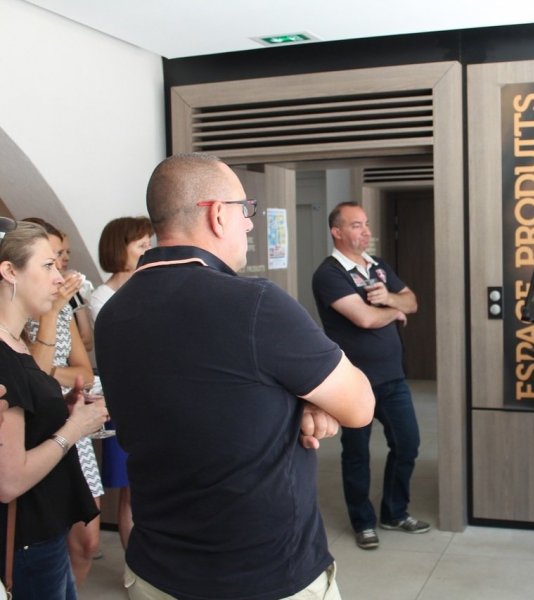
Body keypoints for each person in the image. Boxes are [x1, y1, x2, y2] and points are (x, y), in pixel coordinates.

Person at [94, 153, 374, 600]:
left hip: (155, 572)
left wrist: (299, 400)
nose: (249, 225)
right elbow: (360, 406)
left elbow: (210, 397)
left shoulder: (113, 315)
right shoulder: (257, 304)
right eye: (246, 211)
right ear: (216, 214)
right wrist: (309, 398)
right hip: (263, 576)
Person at [0, 218, 109, 599]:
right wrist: (74, 429)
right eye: (47, 266)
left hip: (45, 530)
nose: (59, 278)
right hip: (26, 538)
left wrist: (64, 407)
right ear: (10, 271)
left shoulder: (15, 345)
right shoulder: (4, 356)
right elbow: (9, 480)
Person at [312, 201, 429, 551]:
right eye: (357, 225)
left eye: (366, 225)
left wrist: (391, 300)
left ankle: (394, 513)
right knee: (357, 453)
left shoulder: (378, 266)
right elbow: (363, 318)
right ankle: (363, 522)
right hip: (354, 381)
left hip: (392, 378)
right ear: (337, 231)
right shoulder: (329, 274)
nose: (367, 231)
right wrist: (393, 312)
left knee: (407, 443)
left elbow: (413, 301)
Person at [88, 216, 154, 552]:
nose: (147, 250)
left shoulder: (155, 282)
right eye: (140, 244)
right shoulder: (101, 297)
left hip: (159, 396)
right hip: (126, 397)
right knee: (132, 487)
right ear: (119, 248)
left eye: (148, 244)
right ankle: (134, 567)